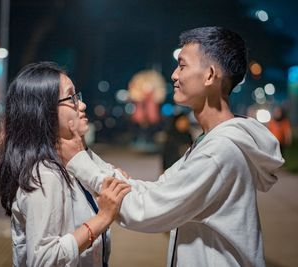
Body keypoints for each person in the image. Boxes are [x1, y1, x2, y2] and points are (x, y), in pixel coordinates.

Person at [59, 27, 285, 266]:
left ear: (209, 75)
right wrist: (92, 161)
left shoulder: (219, 151)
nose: (174, 75)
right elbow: (158, 190)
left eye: (183, 65)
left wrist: (79, 162)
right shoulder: (210, 140)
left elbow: (147, 210)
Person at [0, 62, 131, 267]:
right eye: (71, 98)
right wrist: (102, 219)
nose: (82, 105)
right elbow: (42, 259)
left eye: (78, 96)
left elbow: (118, 185)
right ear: (43, 111)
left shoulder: (72, 163)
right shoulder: (44, 175)